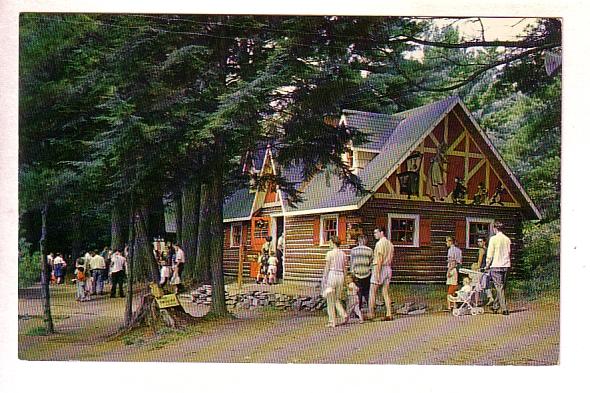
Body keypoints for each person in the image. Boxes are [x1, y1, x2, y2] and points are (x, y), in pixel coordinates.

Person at [367, 227, 394, 321]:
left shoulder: (380, 244)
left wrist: (377, 273)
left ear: (381, 232)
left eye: (376, 232)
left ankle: (371, 313)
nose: (375, 234)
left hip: (380, 267)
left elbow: (379, 259)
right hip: (388, 268)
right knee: (385, 292)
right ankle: (389, 313)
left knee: (372, 291)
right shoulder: (390, 244)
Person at [321, 236, 348, 328]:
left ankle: (332, 321)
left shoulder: (330, 253)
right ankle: (343, 314)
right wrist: (345, 280)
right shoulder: (343, 254)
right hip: (340, 275)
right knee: (336, 298)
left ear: (333, 242)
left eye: (330, 242)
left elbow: (327, 267)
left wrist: (324, 279)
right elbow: (345, 269)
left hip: (332, 275)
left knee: (330, 299)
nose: (329, 244)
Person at [485, 221, 511, 315]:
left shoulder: (493, 239)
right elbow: (508, 252)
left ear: (495, 228)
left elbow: (490, 254)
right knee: (502, 287)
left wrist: (487, 265)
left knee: (499, 288)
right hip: (506, 265)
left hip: (496, 265)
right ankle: (495, 306)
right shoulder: (507, 239)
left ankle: (504, 308)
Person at [349, 234, 372, 310]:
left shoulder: (353, 250)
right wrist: (370, 270)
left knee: (358, 292)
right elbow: (371, 263)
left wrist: (352, 273)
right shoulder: (370, 250)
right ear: (365, 241)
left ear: (358, 241)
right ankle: (370, 309)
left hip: (357, 273)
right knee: (367, 292)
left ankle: (358, 310)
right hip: (366, 273)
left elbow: (352, 263)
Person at [474, 237, 494, 306]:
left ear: (484, 242)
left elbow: (479, 261)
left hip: (482, 269)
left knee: (480, 284)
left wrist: (477, 268)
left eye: (480, 241)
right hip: (487, 269)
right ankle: (490, 297)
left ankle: (480, 300)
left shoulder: (481, 250)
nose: (479, 243)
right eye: (478, 241)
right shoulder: (488, 250)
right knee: (486, 284)